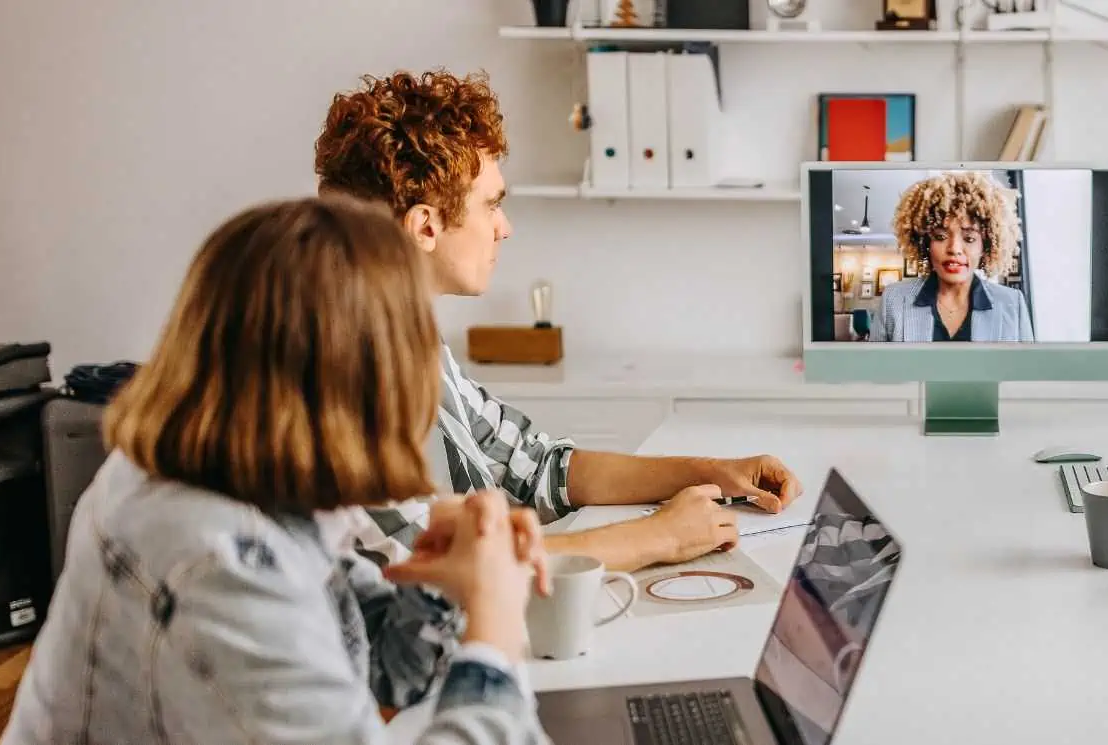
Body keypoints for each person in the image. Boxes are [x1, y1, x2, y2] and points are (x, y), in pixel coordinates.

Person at [3, 197, 551, 744]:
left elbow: (384, 661)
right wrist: (495, 629)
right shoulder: (219, 558)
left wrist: (442, 579)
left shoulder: (225, 480)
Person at [313, 69, 800, 571]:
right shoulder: (333, 372)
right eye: (491, 205)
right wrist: (657, 538)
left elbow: (532, 466)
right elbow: (429, 570)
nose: (505, 228)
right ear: (426, 226)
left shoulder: (407, 335)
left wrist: (713, 472)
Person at [874, 171, 1034, 343]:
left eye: (969, 239)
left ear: (985, 245)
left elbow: (1028, 369)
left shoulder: (1012, 304)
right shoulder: (894, 300)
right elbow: (873, 368)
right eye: (940, 237)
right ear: (925, 243)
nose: (954, 249)